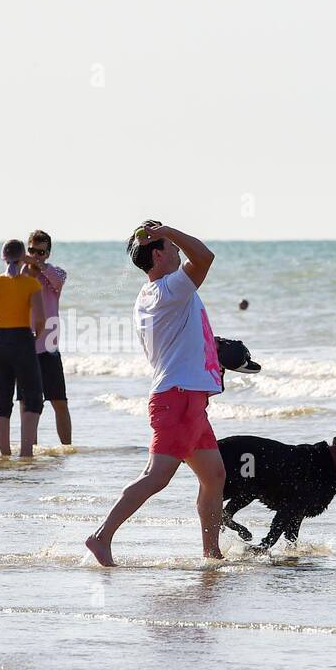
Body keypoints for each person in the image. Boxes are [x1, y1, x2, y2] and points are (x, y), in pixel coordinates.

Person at [86, 221, 226, 567]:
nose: (178, 250)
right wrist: (170, 229)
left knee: (214, 477)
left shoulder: (156, 294)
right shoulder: (168, 290)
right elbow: (205, 257)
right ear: (159, 254)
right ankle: (101, 536)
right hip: (177, 398)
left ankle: (212, 553)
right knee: (157, 476)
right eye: (172, 245)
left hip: (188, 400)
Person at [0, 239, 47, 457]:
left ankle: (4, 455)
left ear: (3, 257)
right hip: (22, 340)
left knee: (2, 401)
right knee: (32, 398)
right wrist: (36, 335)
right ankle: (25, 453)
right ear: (22, 257)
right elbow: (40, 319)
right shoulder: (31, 284)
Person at [18, 230, 72, 445]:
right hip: (25, 347)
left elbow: (59, 279)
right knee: (27, 404)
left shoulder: (54, 274)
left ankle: (67, 447)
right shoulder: (21, 274)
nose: (36, 255)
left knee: (59, 402)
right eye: (31, 251)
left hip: (49, 348)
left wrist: (39, 266)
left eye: (40, 252)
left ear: (47, 254)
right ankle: (30, 448)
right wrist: (26, 264)